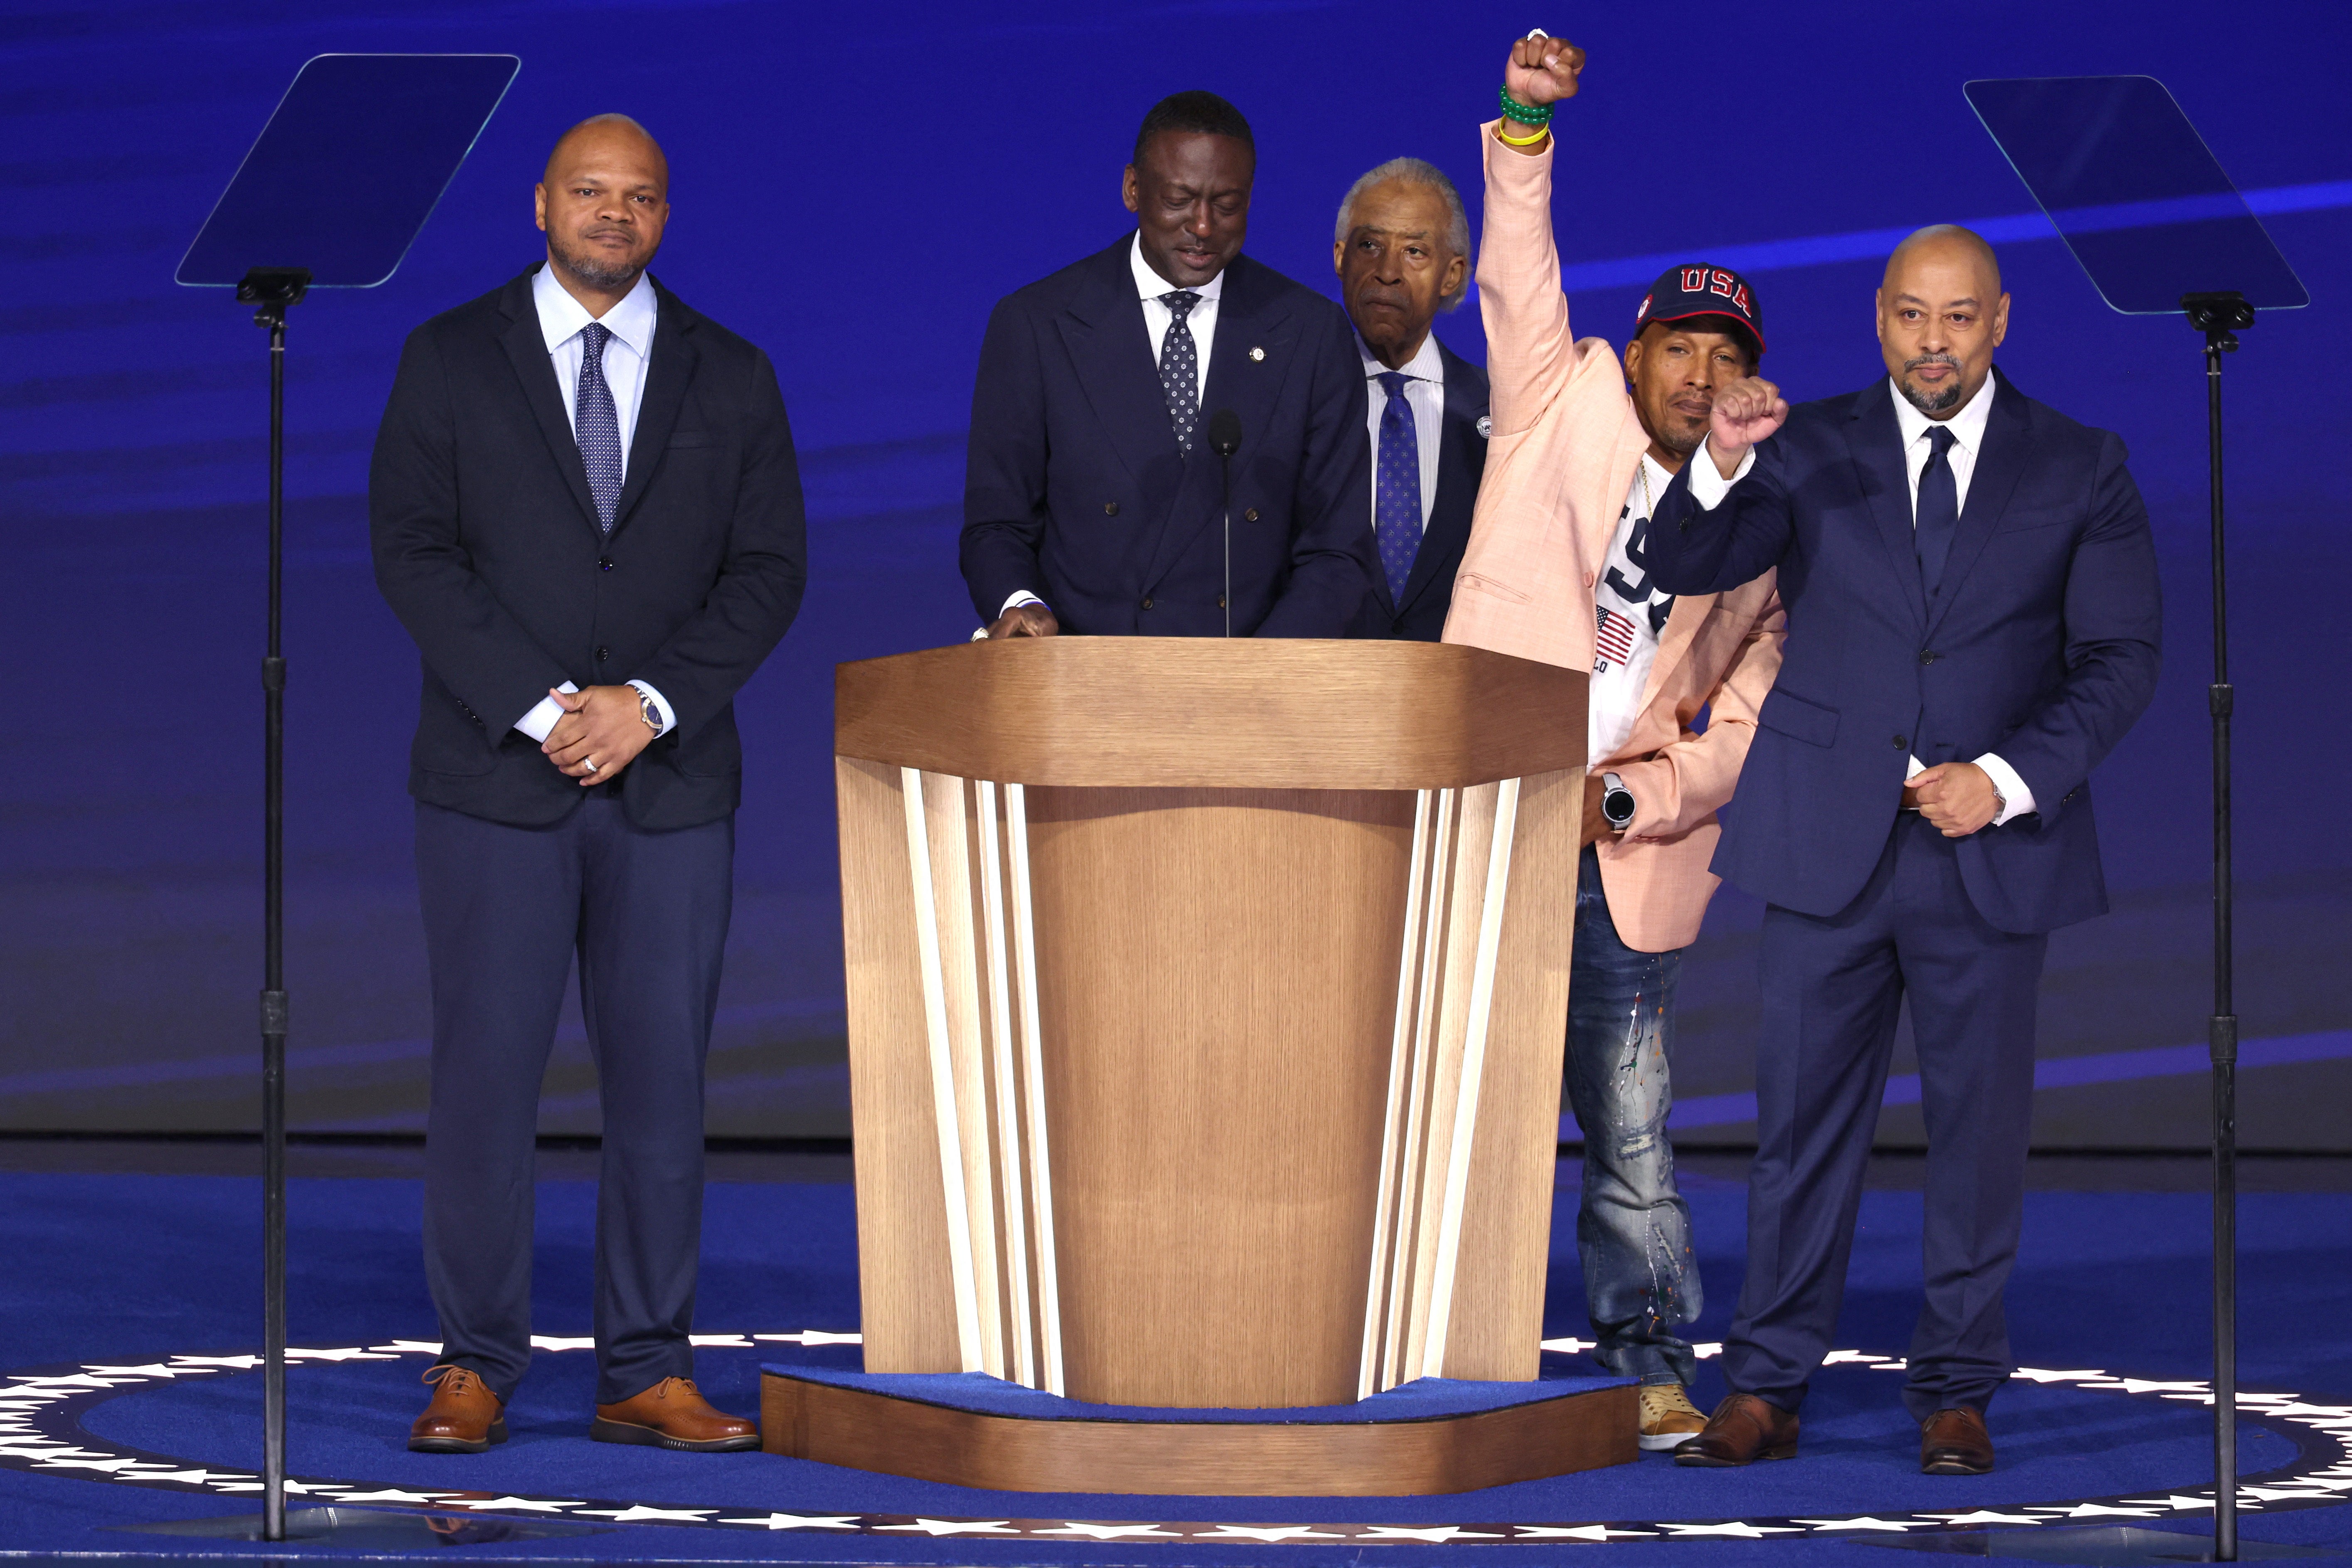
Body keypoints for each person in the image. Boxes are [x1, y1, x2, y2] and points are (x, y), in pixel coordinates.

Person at [1648, 222, 2162, 1474]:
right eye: (1907, 318)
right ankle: (1763, 1384)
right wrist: (1716, 460)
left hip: (1984, 851)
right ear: (1876, 315)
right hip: (1822, 839)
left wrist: (2001, 779)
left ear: (1997, 320)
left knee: (1975, 1133)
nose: (1929, 343)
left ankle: (1953, 1390)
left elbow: (2118, 658)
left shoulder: (2077, 464)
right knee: (1797, 1131)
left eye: (1956, 318)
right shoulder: (1803, 441)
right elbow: (1681, 558)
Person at [369, 114, 806, 1455]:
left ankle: (645, 1368)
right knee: (486, 1082)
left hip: (671, 789)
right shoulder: (449, 358)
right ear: (540, 206)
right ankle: (473, 1363)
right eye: (589, 193)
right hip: (495, 781)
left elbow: (766, 571)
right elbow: (414, 551)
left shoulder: (732, 375)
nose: (613, 215)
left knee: (663, 1086)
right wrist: (549, 709)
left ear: (665, 217)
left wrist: (650, 706)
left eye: (639, 197)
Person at [1442, 34, 1785, 1452]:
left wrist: (1651, 798)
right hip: (1479, 818)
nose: (1700, 371)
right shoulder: (1553, 400)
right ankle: (1428, 1350)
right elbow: (1517, 259)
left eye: (1728, 356)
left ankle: (1646, 1356)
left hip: (1612, 851)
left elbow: (1752, 711)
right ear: (1636, 351)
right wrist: (1526, 120)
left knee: (1630, 1132)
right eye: (1680, 345)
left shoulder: (1761, 527)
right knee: (1448, 1102)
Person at [960, 91, 1374, 639]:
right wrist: (1021, 602)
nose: (1202, 227)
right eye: (1180, 199)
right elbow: (997, 524)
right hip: (1088, 687)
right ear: (1134, 189)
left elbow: (1337, 550)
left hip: (1254, 696)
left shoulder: (1310, 333)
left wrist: (1261, 673)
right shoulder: (1037, 324)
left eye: (1226, 205)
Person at [1332, 157, 1488, 639]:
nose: (1387, 272)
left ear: (1452, 274)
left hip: (1457, 699)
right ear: (1340, 257)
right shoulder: (1289, 397)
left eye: (1415, 251)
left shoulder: (1501, 419)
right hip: (1317, 694)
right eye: (1370, 246)